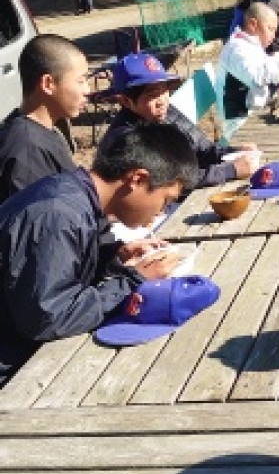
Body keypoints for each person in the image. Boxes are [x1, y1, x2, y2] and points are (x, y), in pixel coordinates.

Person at [0, 124, 198, 385]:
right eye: (166, 200)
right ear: (137, 179)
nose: (162, 212)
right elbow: (47, 318)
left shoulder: (80, 196)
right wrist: (133, 280)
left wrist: (116, 255)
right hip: (14, 369)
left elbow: (69, 261)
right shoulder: (58, 214)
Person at [97, 52, 258, 187]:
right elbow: (168, 183)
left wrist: (234, 152)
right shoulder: (125, 139)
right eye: (153, 95)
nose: (162, 101)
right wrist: (230, 171)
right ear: (126, 101)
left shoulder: (166, 113)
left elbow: (205, 150)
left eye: (165, 91)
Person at [0, 34, 90, 204]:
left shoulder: (42, 130)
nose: (87, 90)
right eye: (81, 81)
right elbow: (39, 217)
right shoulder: (27, 150)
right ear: (48, 84)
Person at [215, 0, 279, 141]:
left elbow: (266, 71)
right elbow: (257, 77)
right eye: (270, 29)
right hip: (236, 125)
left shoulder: (249, 45)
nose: (273, 36)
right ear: (253, 24)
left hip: (249, 114)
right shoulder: (237, 49)